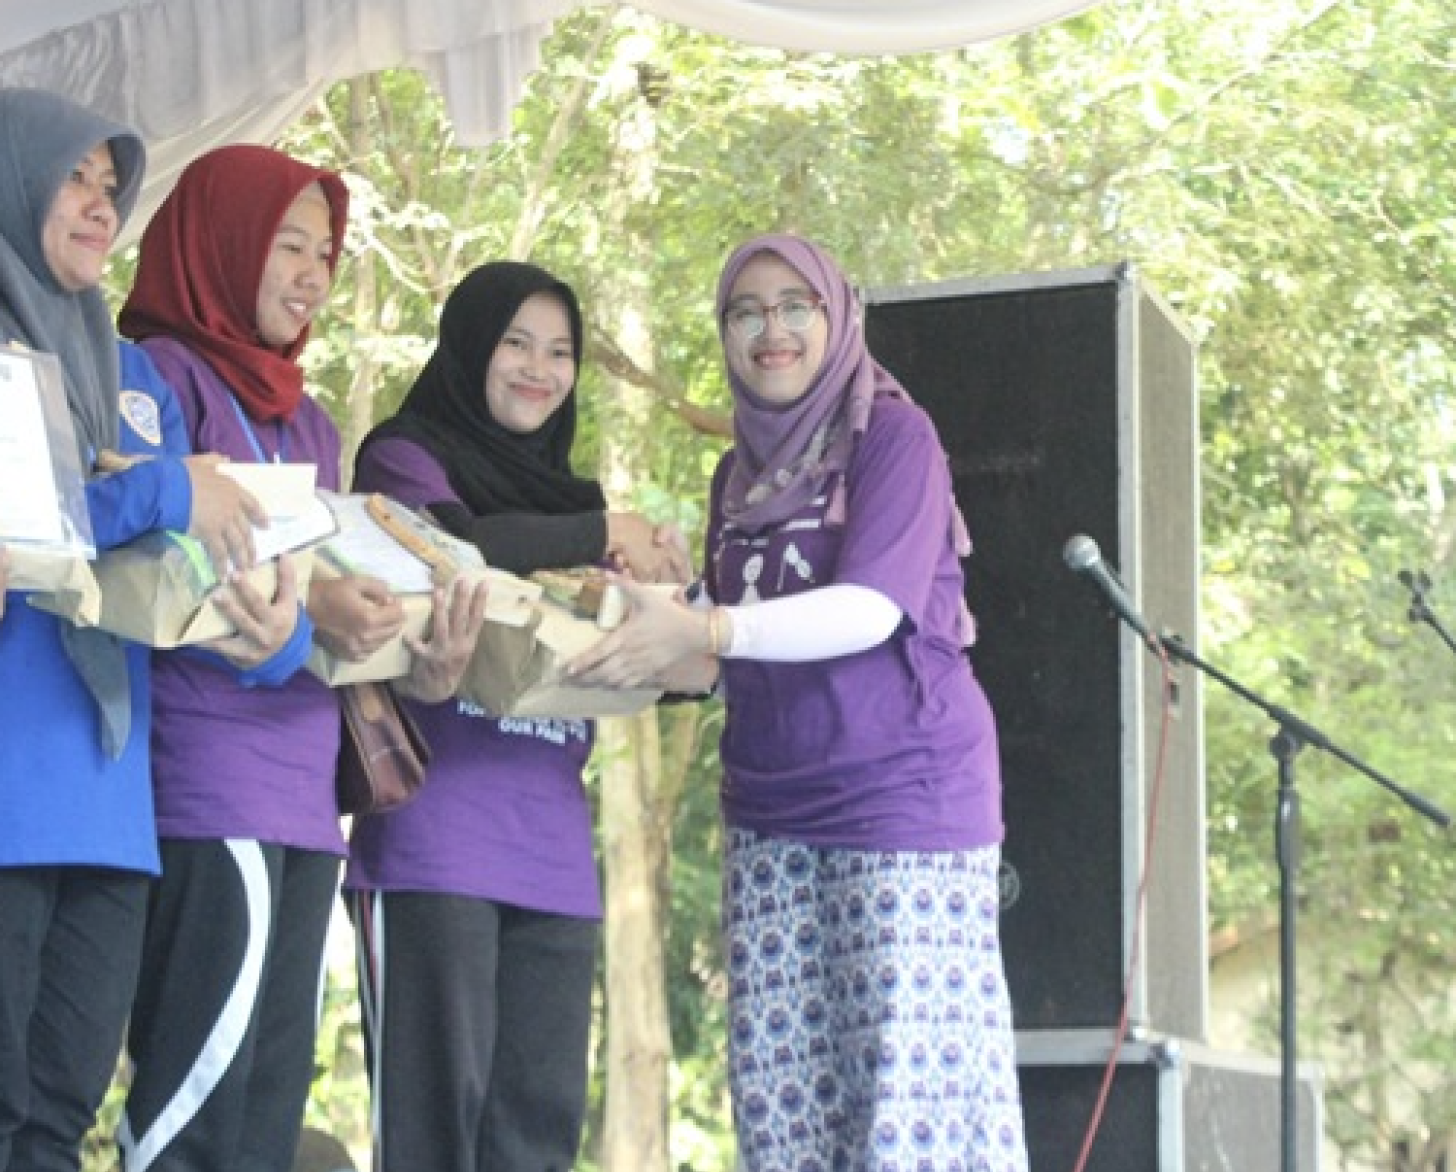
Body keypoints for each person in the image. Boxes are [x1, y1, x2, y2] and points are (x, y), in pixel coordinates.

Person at [568, 233, 1030, 1170]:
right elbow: (722, 649)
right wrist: (639, 611)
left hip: (903, 803)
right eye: (745, 312)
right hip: (771, 814)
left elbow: (868, 609)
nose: (769, 330)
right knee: (786, 1120)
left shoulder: (894, 438)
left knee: (907, 1113)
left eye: (793, 307)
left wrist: (703, 627)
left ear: (838, 316)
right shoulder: (736, 475)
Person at [114, 144, 487, 1172]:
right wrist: (310, 608)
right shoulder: (158, 375)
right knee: (193, 1102)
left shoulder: (309, 421)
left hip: (305, 798)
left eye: (325, 252)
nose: (312, 273)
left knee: (267, 1115)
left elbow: (316, 586)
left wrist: (384, 628)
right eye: (288, 244)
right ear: (222, 243)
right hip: (208, 782)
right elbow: (151, 565)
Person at [342, 259, 688, 1171]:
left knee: (537, 1141)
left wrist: (672, 595)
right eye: (516, 344)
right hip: (433, 848)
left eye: (560, 351)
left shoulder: (572, 504)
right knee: (433, 1140)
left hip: (555, 860)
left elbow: (663, 666)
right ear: (470, 347)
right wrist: (604, 532)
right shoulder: (404, 456)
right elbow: (457, 550)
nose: (540, 368)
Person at [0, 88, 270, 1172]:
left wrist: (282, 626)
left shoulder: (133, 373)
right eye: (73, 177)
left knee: (60, 1119)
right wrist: (164, 490)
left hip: (112, 804)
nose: (98, 204)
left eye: (112, 186)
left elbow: (201, 546)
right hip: (11, 788)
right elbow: (35, 527)